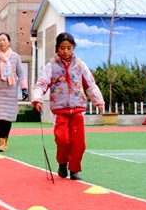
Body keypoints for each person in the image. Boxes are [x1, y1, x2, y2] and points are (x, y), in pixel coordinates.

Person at [30, 32, 105, 181]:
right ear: (57, 48)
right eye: (62, 48)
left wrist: (98, 101)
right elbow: (41, 84)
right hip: (60, 110)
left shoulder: (80, 65)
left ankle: (75, 169)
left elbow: (90, 84)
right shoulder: (51, 66)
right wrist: (37, 99)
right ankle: (62, 163)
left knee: (79, 142)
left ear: (73, 48)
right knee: (62, 140)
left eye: (69, 48)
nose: (65, 51)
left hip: (78, 108)